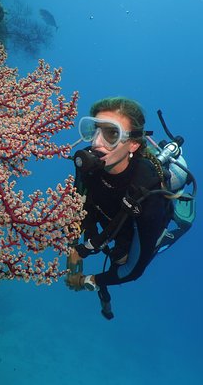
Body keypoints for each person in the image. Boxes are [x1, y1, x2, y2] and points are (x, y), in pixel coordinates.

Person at [66, 97, 175, 319]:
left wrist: (91, 281)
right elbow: (78, 206)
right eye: (94, 129)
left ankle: (165, 238)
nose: (96, 143)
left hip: (136, 228)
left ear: (133, 144)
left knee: (123, 258)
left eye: (112, 134)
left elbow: (133, 271)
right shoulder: (87, 164)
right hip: (106, 222)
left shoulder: (148, 193)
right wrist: (74, 247)